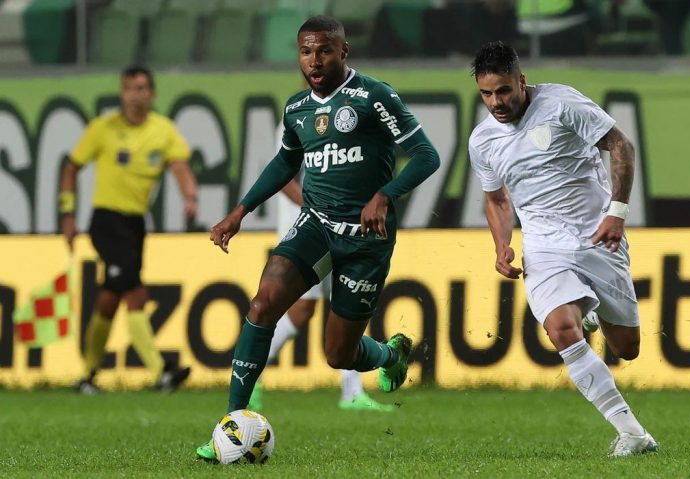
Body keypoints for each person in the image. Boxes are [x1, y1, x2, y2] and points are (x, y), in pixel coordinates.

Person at [196, 15, 440, 460]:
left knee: (337, 354)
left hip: (367, 238)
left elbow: (427, 155)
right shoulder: (296, 109)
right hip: (318, 225)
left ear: (343, 52)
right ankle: (229, 426)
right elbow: (284, 163)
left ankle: (389, 355)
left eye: (324, 50)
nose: (314, 60)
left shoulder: (373, 96)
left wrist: (385, 195)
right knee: (263, 302)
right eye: (306, 51)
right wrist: (240, 211)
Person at [467, 42, 658, 457]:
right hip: (543, 246)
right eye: (486, 94)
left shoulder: (561, 103)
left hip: (598, 235)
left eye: (503, 91)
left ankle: (587, 310)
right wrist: (502, 244)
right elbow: (497, 198)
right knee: (560, 330)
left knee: (627, 348)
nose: (496, 102)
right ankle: (633, 433)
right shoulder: (482, 140)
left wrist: (617, 213)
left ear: (521, 80)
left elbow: (621, 146)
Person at [60, 66, 196, 394]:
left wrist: (190, 196)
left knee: (110, 297)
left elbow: (179, 166)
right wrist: (67, 214)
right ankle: (160, 372)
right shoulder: (102, 129)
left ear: (153, 93)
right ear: (122, 93)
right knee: (135, 291)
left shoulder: (163, 130)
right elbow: (71, 168)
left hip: (135, 223)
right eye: (131, 88)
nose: (138, 94)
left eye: (143, 88)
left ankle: (87, 376)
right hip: (106, 221)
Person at [247, 177, 393, 413]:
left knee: (347, 296)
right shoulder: (293, 137)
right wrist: (320, 207)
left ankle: (352, 392)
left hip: (337, 224)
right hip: (307, 228)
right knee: (302, 310)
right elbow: (283, 178)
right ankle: (251, 373)